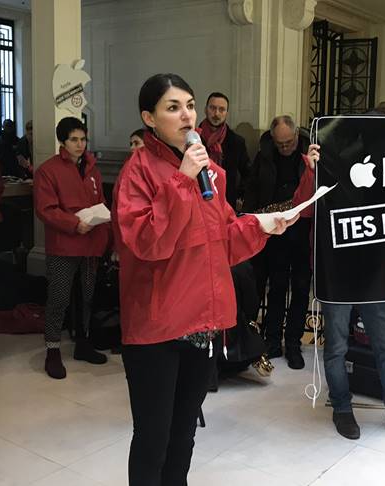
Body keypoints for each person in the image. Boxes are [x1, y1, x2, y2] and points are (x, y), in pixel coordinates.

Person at [113, 73, 295, 486]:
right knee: (153, 437)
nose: (187, 115)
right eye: (173, 107)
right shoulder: (138, 173)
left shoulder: (210, 172)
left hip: (202, 324)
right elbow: (147, 243)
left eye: (190, 105)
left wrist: (263, 226)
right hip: (156, 329)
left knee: (184, 433)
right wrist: (180, 179)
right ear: (149, 117)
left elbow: (223, 241)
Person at [292, 143, 385, 441]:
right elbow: (305, 208)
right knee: (337, 346)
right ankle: (342, 408)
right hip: (336, 272)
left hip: (375, 275)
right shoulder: (325, 165)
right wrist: (312, 172)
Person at [33, 117, 110, 379]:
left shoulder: (92, 169)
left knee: (87, 296)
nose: (80, 144)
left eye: (83, 139)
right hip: (65, 244)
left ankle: (83, 342)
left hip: (91, 244)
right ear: (63, 142)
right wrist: (73, 223)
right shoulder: (48, 170)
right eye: (74, 140)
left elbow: (100, 201)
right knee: (59, 298)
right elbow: (46, 209)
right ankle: (52, 350)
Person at [243, 115, 312, 369]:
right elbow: (252, 187)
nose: (285, 148)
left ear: (296, 136)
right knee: (277, 285)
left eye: (289, 142)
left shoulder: (308, 152)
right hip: (275, 228)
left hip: (304, 227)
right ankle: (272, 340)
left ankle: (293, 342)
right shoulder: (265, 154)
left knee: (302, 286)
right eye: (280, 143)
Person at [199, 92, 251, 209]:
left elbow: (247, 173)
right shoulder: (194, 138)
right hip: (198, 200)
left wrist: (240, 195)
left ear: (226, 113)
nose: (216, 113)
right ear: (205, 109)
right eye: (212, 108)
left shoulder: (236, 142)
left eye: (221, 110)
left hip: (226, 202)